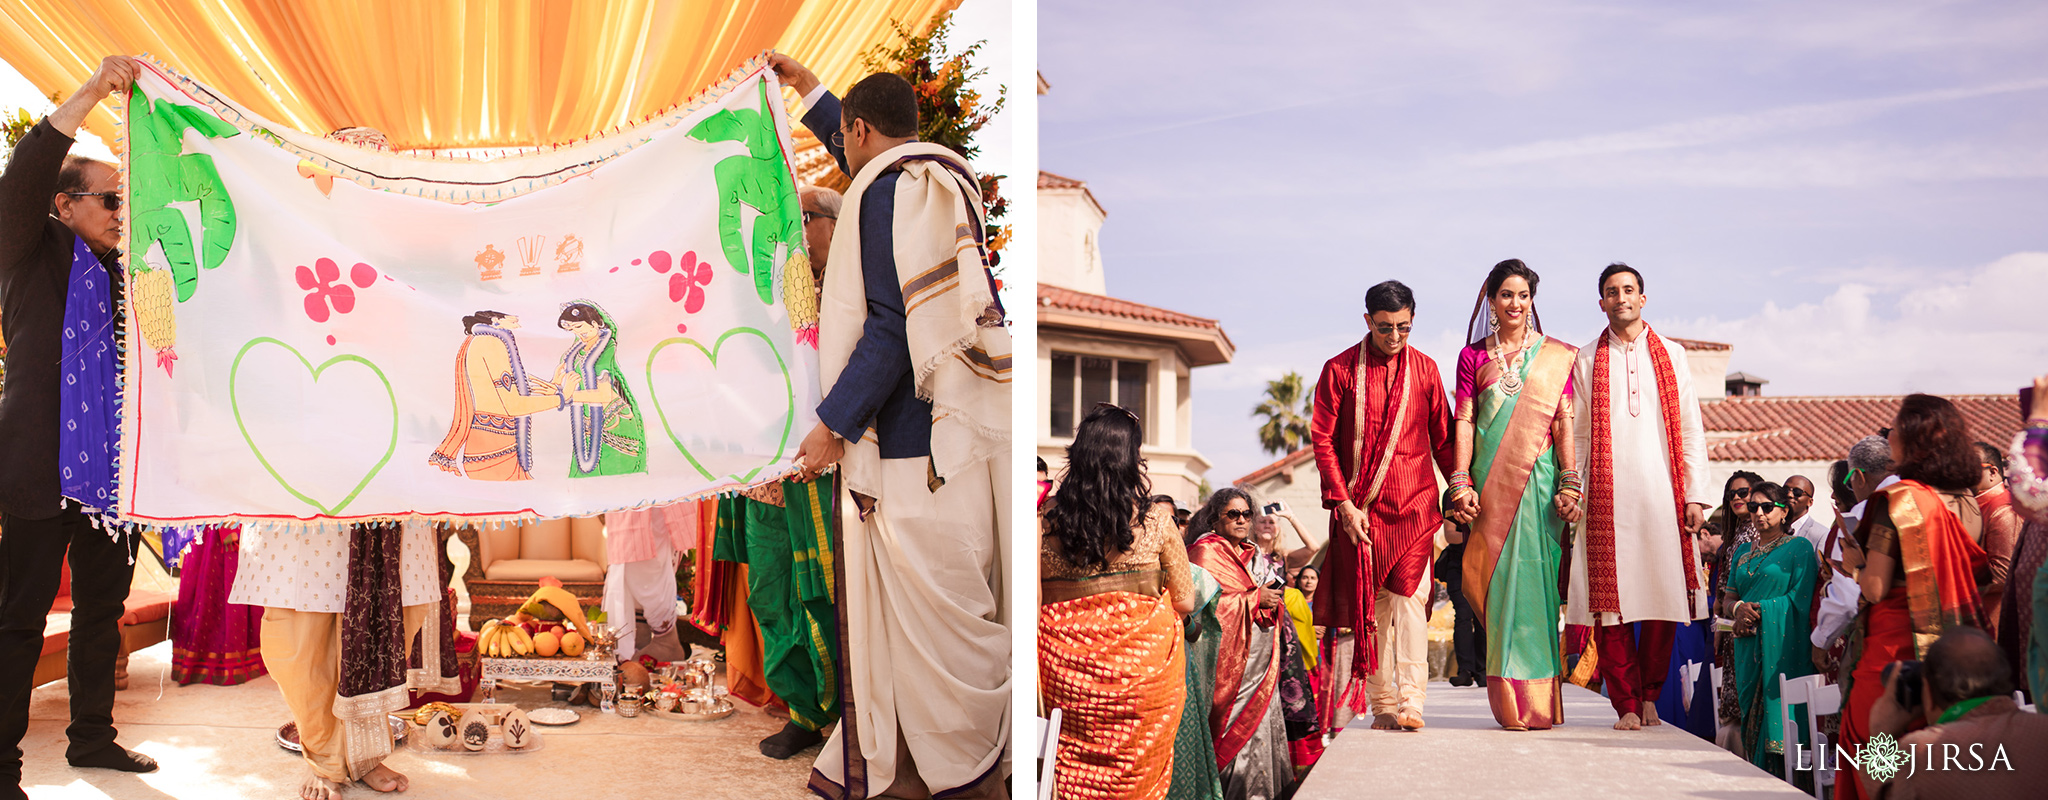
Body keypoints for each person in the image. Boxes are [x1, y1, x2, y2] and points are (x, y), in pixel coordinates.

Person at [772, 54, 1011, 800]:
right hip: (960, 442)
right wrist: (809, 91)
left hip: (909, 450)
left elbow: (890, 327)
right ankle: (937, 763)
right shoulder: (941, 181)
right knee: (950, 615)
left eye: (842, 138)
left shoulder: (888, 194)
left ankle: (954, 772)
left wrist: (832, 425)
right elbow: (877, 147)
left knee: (927, 626)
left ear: (862, 131)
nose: (840, 155)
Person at [0, 56, 160, 796]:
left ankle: (93, 738)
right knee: (19, 621)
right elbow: (27, 171)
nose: (121, 211)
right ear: (62, 204)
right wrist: (94, 91)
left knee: (103, 609)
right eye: (110, 199)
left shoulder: (130, 275)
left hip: (108, 478)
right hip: (38, 467)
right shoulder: (30, 252)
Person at [1565, 263, 1715, 731]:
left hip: (1663, 494)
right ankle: (1626, 703)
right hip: (1607, 499)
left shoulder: (1672, 354)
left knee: (1662, 598)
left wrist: (1694, 494)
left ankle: (1650, 695)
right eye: (1612, 292)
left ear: (1643, 298)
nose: (1621, 297)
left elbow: (1690, 426)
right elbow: (1578, 433)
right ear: (1602, 302)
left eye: (1629, 289)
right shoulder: (1585, 359)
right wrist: (1576, 488)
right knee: (1609, 607)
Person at [1307, 279, 1456, 733]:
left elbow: (1444, 442)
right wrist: (1344, 505)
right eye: (1386, 327)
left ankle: (1413, 700)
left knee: (1412, 601)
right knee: (1374, 614)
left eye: (1405, 328)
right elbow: (1323, 441)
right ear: (1368, 320)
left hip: (1414, 507)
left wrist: (1461, 488)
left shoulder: (1426, 370)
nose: (1395, 337)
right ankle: (1383, 704)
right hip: (1361, 514)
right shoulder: (1339, 370)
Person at [232, 518, 456, 799]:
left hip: (380, 493)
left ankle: (366, 756)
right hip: (305, 501)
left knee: (384, 620)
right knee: (298, 638)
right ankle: (323, 753)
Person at [1448, 259, 1579, 731]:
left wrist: (1569, 479)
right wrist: (1459, 479)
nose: (1516, 304)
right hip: (1490, 487)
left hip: (1541, 485)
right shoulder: (1473, 357)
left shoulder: (1555, 355)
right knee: (1500, 587)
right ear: (1491, 300)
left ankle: (1541, 701)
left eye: (1523, 296)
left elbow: (1563, 419)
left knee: (1538, 586)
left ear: (1532, 301)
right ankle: (1508, 702)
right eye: (1506, 295)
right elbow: (1463, 419)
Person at [1837, 396, 1990, 800]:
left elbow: (1874, 588)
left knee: (1872, 747)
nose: (1891, 437)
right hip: (1941, 652)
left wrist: (1854, 564)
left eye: (1898, 430)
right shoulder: (1952, 501)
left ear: (1914, 441)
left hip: (1889, 652)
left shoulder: (1900, 499)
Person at [1040, 405, 1194, 800]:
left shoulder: (1042, 520)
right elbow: (1185, 600)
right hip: (1142, 689)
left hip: (1066, 685)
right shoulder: (1157, 521)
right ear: (1131, 460)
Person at [1186, 488, 1291, 799]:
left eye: (1247, 514)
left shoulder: (1251, 552)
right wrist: (1257, 598)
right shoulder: (1205, 552)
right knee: (1232, 734)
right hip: (1226, 668)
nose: (1242, 520)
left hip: (1258, 661)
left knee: (1261, 731)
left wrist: (1267, 599)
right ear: (1215, 519)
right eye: (1233, 514)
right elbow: (1203, 607)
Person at [1862, 627, 2048, 799]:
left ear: (1927, 691)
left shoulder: (1923, 752)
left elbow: (1883, 793)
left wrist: (1881, 735)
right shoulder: (2042, 729)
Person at [1719, 482, 1818, 772]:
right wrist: (1738, 610)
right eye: (1753, 507)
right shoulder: (1741, 554)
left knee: (1782, 720)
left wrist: (1763, 610)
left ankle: (1790, 780)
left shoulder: (1799, 548)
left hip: (1783, 646)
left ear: (1784, 511)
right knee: (1751, 716)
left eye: (1767, 507)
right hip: (1747, 645)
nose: (1759, 513)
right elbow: (1729, 599)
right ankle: (1759, 778)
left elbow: (1800, 598)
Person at [553, 301, 647, 477]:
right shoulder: (574, 353)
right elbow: (561, 386)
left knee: (615, 480)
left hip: (614, 423)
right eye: (573, 329)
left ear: (595, 324)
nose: (578, 333)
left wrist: (566, 396)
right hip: (586, 425)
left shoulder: (606, 349)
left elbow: (603, 394)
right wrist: (557, 386)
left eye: (580, 326)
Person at [1973, 442, 2021, 638]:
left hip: (1995, 617)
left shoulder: (2003, 509)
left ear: (1992, 472)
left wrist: (1958, 580)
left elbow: (2003, 573)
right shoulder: (1980, 504)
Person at [1433, 515, 1487, 688]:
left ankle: (1483, 670)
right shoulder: (1452, 493)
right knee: (1463, 615)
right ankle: (1465, 671)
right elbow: (1450, 535)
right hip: (1458, 566)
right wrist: (1481, 535)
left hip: (1483, 564)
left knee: (1482, 616)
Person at [1786, 476, 1828, 553]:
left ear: (1810, 502)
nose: (1789, 495)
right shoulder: (1773, 528)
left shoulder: (1821, 535)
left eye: (1797, 492)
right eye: (1785, 490)